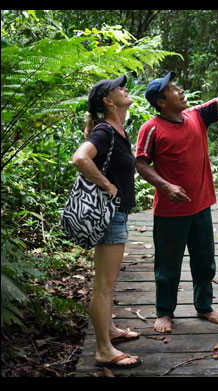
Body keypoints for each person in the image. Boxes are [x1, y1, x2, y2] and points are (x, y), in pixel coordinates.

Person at [136, 39, 218, 333]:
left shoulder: (196, 116)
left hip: (200, 205)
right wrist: (166, 186)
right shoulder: (151, 128)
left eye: (177, 87)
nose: (180, 90)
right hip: (170, 212)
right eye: (173, 89)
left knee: (205, 261)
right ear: (161, 102)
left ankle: (204, 307)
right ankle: (165, 312)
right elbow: (140, 163)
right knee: (168, 266)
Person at [71, 75, 141, 368]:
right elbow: (80, 158)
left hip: (117, 215)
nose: (126, 89)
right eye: (119, 88)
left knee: (108, 284)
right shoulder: (104, 131)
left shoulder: (118, 130)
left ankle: (109, 331)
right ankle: (103, 349)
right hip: (110, 216)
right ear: (108, 101)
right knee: (105, 285)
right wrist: (106, 185)